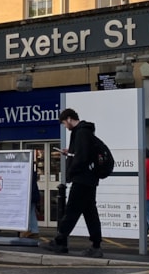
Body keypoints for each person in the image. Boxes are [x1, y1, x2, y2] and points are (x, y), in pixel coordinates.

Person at [45, 108, 105, 258]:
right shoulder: (85, 132)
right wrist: (70, 152)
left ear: (70, 119)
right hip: (89, 179)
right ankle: (96, 246)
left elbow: (82, 157)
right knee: (90, 213)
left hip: (82, 180)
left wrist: (71, 172)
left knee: (71, 211)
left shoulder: (81, 132)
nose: (65, 126)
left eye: (65, 123)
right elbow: (82, 154)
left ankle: (60, 242)